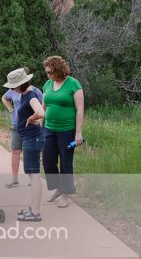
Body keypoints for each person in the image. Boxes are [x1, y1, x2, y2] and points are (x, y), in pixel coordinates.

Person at [42, 56, 84, 208]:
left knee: (66, 162)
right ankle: (59, 187)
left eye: (50, 72)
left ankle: (65, 193)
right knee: (47, 160)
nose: (48, 75)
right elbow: (43, 107)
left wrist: (78, 133)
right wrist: (41, 127)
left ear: (58, 70)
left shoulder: (73, 84)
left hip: (67, 130)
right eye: (46, 72)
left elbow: (80, 109)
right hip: (49, 129)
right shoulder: (48, 84)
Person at [3, 68, 44, 221]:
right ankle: (33, 207)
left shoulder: (31, 95)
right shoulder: (25, 94)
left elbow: (41, 112)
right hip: (28, 137)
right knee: (31, 173)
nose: (12, 89)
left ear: (20, 84)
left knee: (34, 175)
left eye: (13, 86)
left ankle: (35, 212)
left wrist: (31, 119)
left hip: (32, 138)